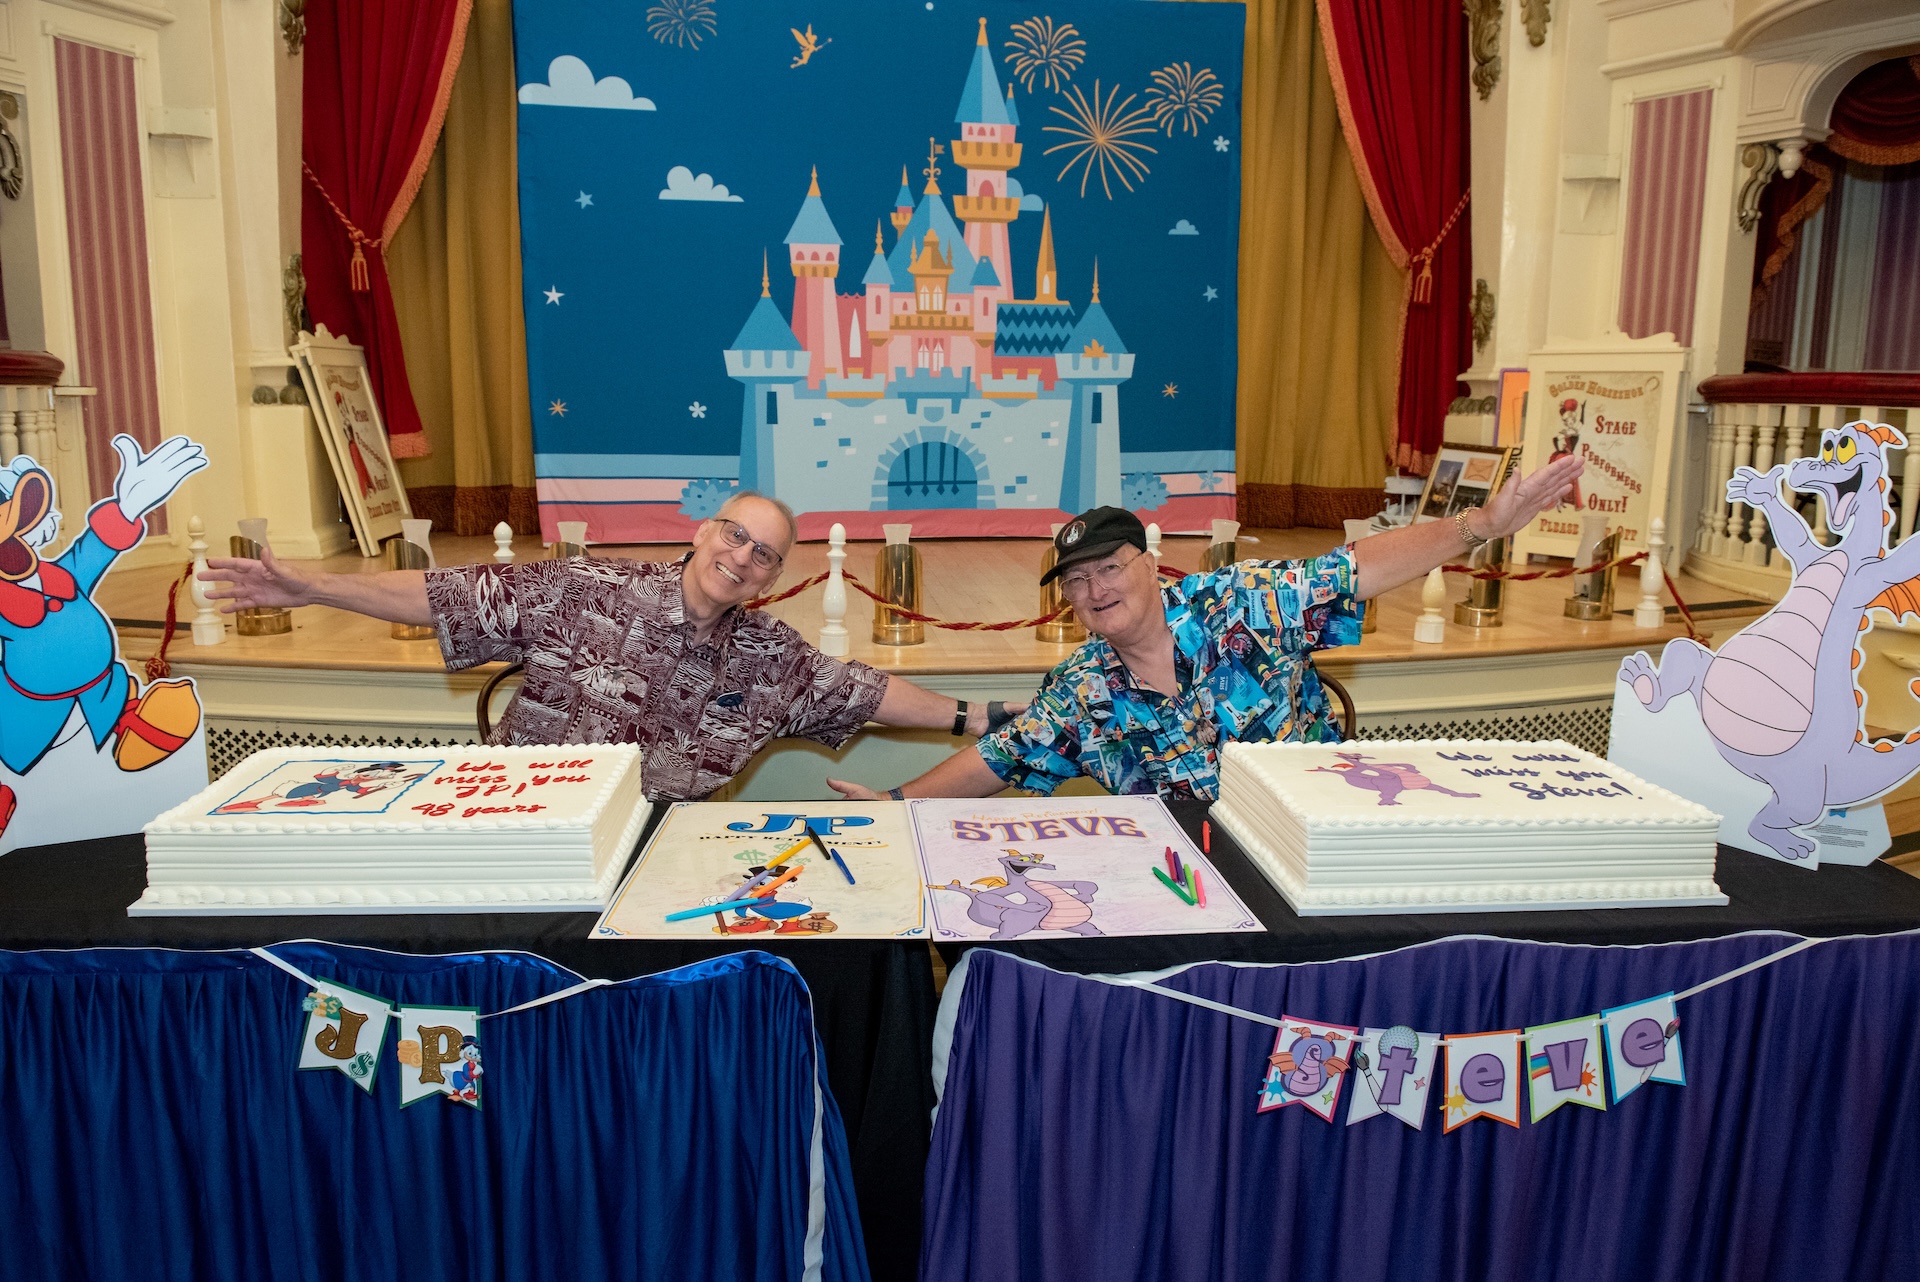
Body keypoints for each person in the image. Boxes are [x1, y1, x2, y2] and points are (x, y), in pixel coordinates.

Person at [826, 454, 1583, 803]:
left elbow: (1359, 568)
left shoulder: (1242, 603)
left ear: (1152, 563)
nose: (1095, 590)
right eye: (1078, 582)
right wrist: (896, 807)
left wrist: (1477, 524)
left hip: (1317, 835)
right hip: (1187, 881)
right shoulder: (1082, 689)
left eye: (1109, 568)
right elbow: (998, 758)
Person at [200, 492, 1015, 802]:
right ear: (703, 531)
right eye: (735, 534)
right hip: (528, 832)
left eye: (763, 553)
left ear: (768, 579)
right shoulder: (583, 588)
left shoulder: (772, 657)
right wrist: (313, 585)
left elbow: (865, 691)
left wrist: (978, 717)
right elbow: (439, 595)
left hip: (653, 856)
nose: (742, 557)